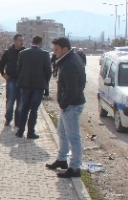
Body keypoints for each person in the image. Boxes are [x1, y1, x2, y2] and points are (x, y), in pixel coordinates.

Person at [45, 37, 86, 178]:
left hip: (71, 106)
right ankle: (62, 160)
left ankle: (75, 168)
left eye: (56, 50)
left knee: (73, 137)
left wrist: (63, 103)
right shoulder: (70, 60)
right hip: (68, 105)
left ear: (65, 49)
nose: (54, 53)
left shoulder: (70, 64)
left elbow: (73, 90)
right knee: (62, 132)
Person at [15, 36, 52, 139]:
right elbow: (48, 71)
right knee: (34, 110)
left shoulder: (22, 53)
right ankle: (30, 132)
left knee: (24, 108)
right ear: (41, 43)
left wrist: (22, 79)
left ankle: (20, 131)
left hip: (25, 85)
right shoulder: (45, 54)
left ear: (32, 42)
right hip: (38, 85)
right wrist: (46, 84)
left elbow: (19, 69)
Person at [0, 34, 26, 127]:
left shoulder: (25, 52)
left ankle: (18, 121)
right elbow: (1, 64)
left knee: (21, 102)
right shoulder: (8, 52)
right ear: (14, 41)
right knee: (10, 101)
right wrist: (3, 74)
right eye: (19, 40)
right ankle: (8, 119)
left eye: (22, 40)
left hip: (22, 81)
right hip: (11, 80)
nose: (21, 42)